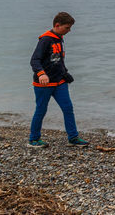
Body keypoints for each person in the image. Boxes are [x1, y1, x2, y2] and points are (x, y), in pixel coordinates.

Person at [28, 11, 89, 148]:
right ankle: (34, 139)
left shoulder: (59, 38)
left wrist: (65, 73)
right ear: (57, 25)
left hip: (59, 82)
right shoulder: (45, 40)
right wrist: (41, 74)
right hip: (44, 83)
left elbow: (57, 60)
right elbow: (34, 60)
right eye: (67, 27)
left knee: (68, 108)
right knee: (41, 110)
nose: (69, 30)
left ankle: (73, 138)